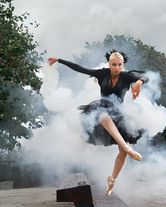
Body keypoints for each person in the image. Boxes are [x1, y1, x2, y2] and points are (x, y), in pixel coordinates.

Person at [48, 50, 149, 195]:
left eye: (120, 65)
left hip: (119, 114)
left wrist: (139, 82)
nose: (116, 68)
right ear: (109, 63)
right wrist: (59, 60)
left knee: (122, 154)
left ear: (123, 65)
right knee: (103, 116)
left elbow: (145, 77)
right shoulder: (102, 74)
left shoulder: (126, 76)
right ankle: (128, 149)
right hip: (102, 109)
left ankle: (112, 180)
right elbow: (80, 68)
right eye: (113, 64)